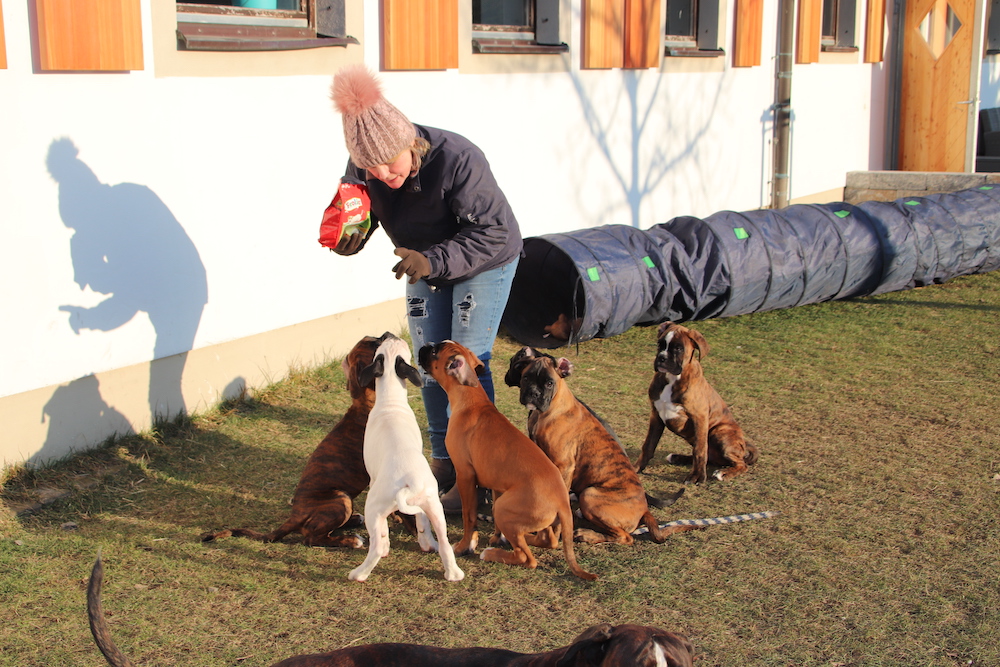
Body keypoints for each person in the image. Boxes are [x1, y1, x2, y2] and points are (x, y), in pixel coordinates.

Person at [330, 65, 522, 512]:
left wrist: (433, 259)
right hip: (422, 263)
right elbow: (359, 207)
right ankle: (445, 464)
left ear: (409, 143)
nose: (381, 173)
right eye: (369, 167)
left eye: (389, 161)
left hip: (483, 259)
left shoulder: (459, 159)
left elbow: (492, 232)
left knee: (463, 364)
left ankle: (482, 473)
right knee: (429, 361)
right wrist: (349, 234)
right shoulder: (364, 164)